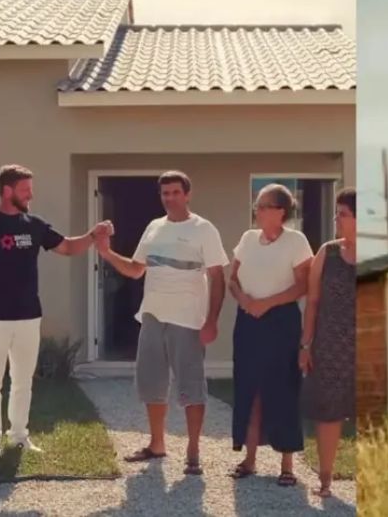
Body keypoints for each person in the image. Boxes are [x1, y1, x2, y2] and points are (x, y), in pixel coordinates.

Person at [0, 164, 112, 456]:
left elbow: (67, 247)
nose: (30, 196)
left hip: (29, 314)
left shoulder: (34, 225)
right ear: (7, 191)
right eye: (25, 190)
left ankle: (19, 435)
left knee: (23, 381)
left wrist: (93, 235)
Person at [95, 170, 227, 476]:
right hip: (152, 315)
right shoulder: (154, 227)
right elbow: (135, 269)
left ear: (187, 194)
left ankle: (193, 451)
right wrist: (106, 252)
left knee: (191, 385)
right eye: (165, 193)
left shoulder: (203, 229)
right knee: (152, 383)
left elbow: (217, 278)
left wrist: (211, 321)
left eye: (176, 192)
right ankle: (157, 444)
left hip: (188, 319)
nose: (170, 198)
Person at [228, 183, 313, 487]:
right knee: (249, 388)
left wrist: (267, 303)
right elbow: (232, 279)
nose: (258, 210)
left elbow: (303, 285)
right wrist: (245, 301)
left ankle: (287, 465)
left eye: (264, 206)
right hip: (248, 320)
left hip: (281, 321)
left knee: (283, 389)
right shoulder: (248, 239)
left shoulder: (296, 241)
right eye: (257, 205)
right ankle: (249, 459)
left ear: (280, 211)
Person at [299, 188, 356, 498]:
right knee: (328, 413)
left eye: (343, 214)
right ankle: (325, 480)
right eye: (336, 213)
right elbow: (313, 301)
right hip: (330, 348)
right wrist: (306, 345)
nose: (336, 219)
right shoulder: (327, 253)